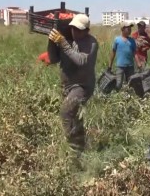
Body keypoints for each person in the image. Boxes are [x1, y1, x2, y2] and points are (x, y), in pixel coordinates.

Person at [47, 14, 98, 154]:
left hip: (82, 87)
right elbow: (53, 59)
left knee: (66, 113)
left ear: (87, 30)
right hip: (67, 86)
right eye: (73, 28)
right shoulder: (67, 40)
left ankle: (72, 150)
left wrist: (63, 43)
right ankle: (80, 147)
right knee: (75, 118)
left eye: (79, 29)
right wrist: (51, 42)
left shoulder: (91, 43)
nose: (75, 31)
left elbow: (81, 61)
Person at [108, 23, 137, 91]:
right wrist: (110, 66)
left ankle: (128, 97)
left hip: (130, 66)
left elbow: (134, 53)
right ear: (122, 29)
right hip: (120, 66)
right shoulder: (117, 40)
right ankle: (117, 96)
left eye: (130, 29)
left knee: (130, 83)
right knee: (118, 84)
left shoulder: (132, 40)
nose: (130, 30)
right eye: (128, 29)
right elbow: (113, 53)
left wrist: (138, 63)